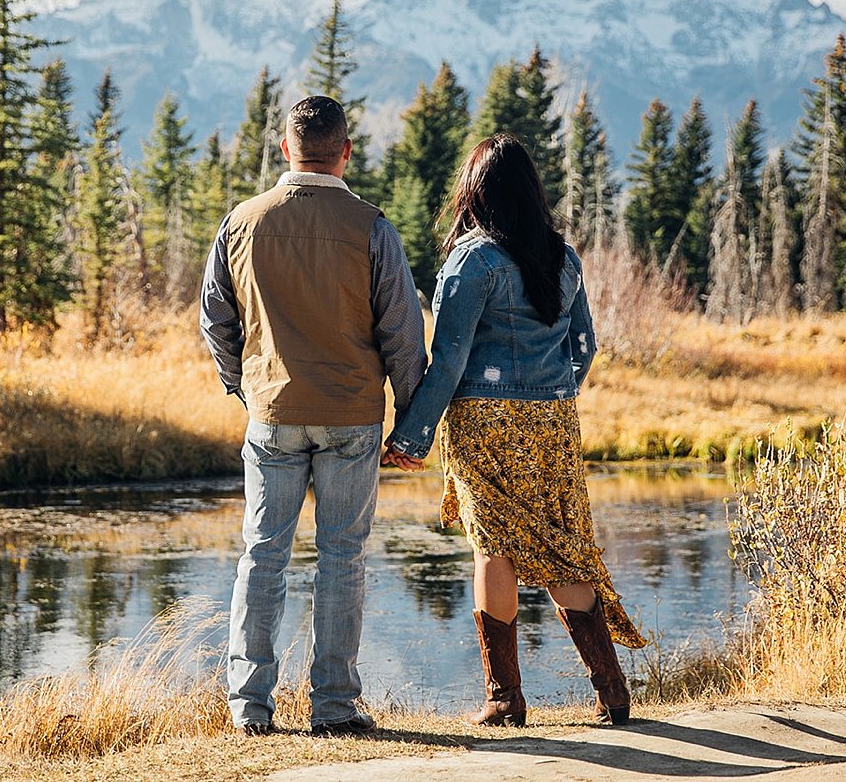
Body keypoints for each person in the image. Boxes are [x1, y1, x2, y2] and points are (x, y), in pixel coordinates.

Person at [382, 133, 647, 728]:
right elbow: (586, 345)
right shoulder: (563, 256)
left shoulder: (472, 259)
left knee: (494, 546)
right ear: (531, 192)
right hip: (552, 421)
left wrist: (412, 436)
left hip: (485, 421)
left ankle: (504, 698)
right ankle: (611, 690)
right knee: (560, 546)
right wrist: (553, 390)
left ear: (474, 192)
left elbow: (447, 359)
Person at [200, 95, 426, 737]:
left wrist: (246, 386)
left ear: (285, 150)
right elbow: (403, 334)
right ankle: (332, 707)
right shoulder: (372, 227)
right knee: (342, 557)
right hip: (352, 417)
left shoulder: (241, 222)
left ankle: (249, 707)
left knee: (262, 555)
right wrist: (411, 424)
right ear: (346, 152)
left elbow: (214, 320)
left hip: (272, 412)